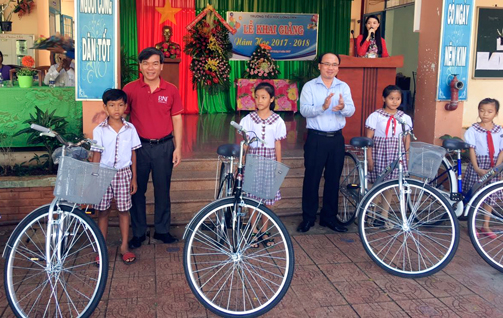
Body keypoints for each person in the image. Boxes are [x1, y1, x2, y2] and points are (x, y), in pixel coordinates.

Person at [123, 47, 183, 248]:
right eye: (146, 63)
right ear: (140, 66)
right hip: (138, 148)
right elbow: (121, 116)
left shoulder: (171, 89)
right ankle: (138, 232)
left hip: (164, 146)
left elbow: (177, 118)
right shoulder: (130, 89)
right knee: (136, 190)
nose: (151, 68)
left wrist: (178, 147)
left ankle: (162, 230)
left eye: (155, 63)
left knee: (162, 189)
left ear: (162, 66)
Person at [297, 53, 355, 233]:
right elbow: (304, 110)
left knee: (333, 180)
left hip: (336, 139)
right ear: (319, 66)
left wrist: (342, 108)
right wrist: (322, 107)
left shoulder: (343, 86)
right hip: (316, 138)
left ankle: (329, 218)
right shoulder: (310, 86)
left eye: (334, 64)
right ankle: (308, 218)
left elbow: (351, 109)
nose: (331, 68)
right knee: (311, 179)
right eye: (327, 64)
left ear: (338, 67)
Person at [91, 89, 142, 265]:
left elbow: (134, 154)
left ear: (126, 107)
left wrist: (134, 178)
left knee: (123, 210)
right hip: (104, 174)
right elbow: (96, 155)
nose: (116, 109)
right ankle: (101, 247)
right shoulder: (99, 130)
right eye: (112, 105)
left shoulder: (130, 129)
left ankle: (124, 247)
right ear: (105, 107)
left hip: (123, 174)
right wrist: (94, 177)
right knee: (103, 211)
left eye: (120, 105)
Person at [239, 82, 287, 248]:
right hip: (253, 160)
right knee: (252, 197)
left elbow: (278, 144)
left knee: (267, 198)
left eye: (264, 97)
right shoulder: (249, 119)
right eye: (257, 97)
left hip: (270, 160)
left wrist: (278, 166)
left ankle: (265, 230)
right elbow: (246, 142)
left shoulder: (277, 120)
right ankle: (253, 230)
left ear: (272, 99)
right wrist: (242, 160)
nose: (259, 100)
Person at [365, 85, 412, 228]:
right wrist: (369, 158)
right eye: (391, 98)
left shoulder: (404, 118)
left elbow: (406, 139)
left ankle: (383, 216)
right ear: (383, 99)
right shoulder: (376, 116)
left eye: (398, 99)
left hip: (395, 154)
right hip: (379, 152)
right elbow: (369, 138)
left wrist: (407, 156)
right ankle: (370, 214)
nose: (394, 102)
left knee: (390, 186)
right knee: (376, 184)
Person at [463, 98, 503, 239]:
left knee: (490, 196)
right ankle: (472, 224)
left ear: (496, 113)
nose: (485, 114)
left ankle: (485, 225)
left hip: (494, 166)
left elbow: (501, 150)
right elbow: (472, 150)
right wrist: (476, 168)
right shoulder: (473, 130)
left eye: (490, 111)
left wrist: (497, 167)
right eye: (482, 110)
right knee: (475, 195)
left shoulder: (499, 131)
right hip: (478, 165)